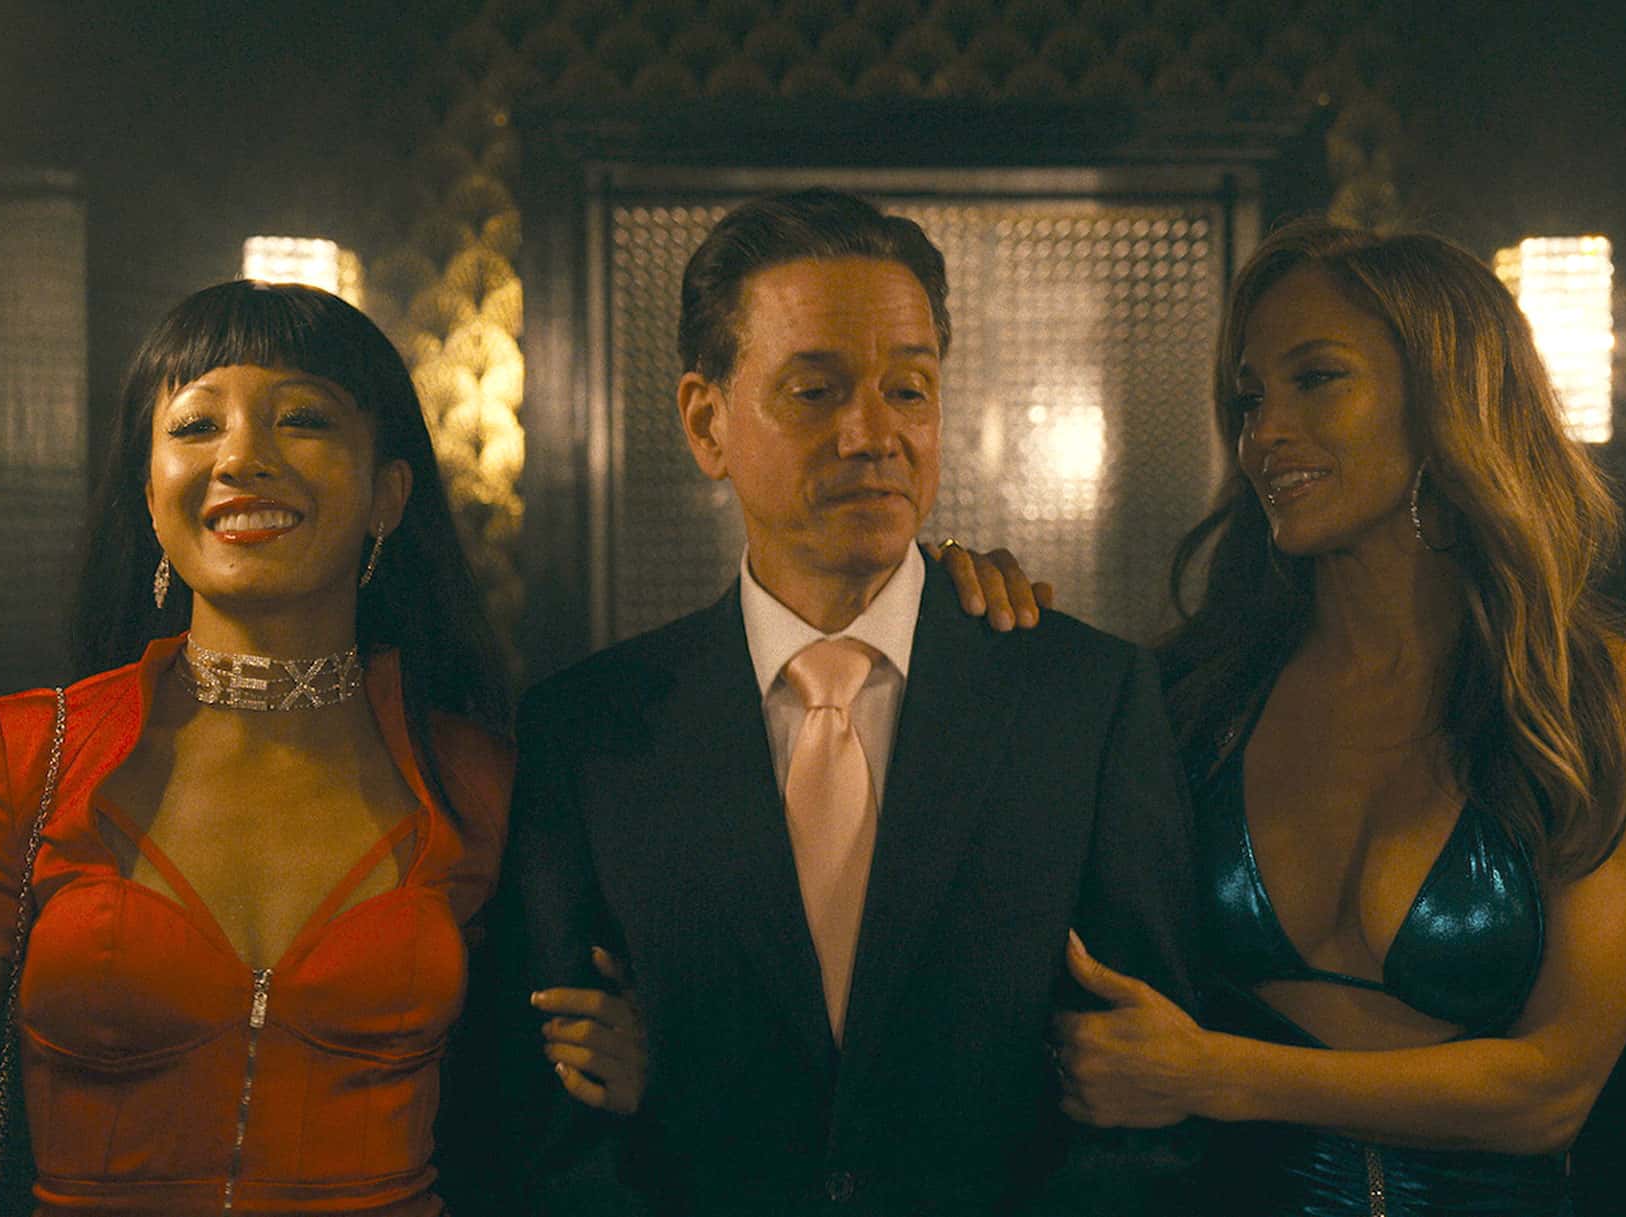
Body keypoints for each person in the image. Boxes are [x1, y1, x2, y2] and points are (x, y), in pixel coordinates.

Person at [468, 189, 1200, 1215]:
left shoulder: (1083, 700)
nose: (873, 434)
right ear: (706, 422)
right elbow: (552, 1118)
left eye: (908, 389)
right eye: (814, 391)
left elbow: (1146, 1101)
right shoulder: (590, 731)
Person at [0, 281, 642, 1217]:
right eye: (196, 426)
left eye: (301, 419)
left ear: (388, 494)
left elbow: (538, 1108)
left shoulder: (483, 780)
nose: (242, 458)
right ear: (151, 497)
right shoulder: (16, 755)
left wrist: (641, 1068)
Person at [1030, 220, 1626, 1215]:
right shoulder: (1196, 696)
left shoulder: (1600, 702)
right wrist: (956, 612)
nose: (1263, 433)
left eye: (1316, 379)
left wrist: (1211, 1072)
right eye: (1250, 398)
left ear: (1446, 400)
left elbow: (1551, 1089)